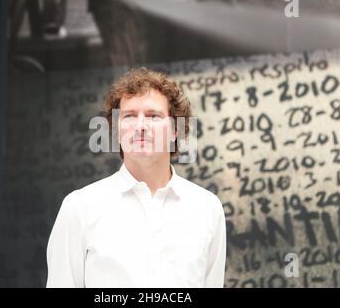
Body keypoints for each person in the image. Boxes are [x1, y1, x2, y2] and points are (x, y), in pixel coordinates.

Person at [46, 67, 226, 287]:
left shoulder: (207, 208)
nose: (140, 126)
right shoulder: (80, 207)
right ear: (116, 130)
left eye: (153, 116)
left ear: (175, 129)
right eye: (129, 116)